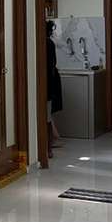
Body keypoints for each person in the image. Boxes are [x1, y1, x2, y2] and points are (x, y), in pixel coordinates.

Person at [45, 20, 64, 158]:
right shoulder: (49, 43)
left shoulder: (46, 43)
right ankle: (50, 144)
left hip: (48, 84)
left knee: (46, 115)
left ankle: (49, 145)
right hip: (50, 83)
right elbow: (53, 63)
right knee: (47, 115)